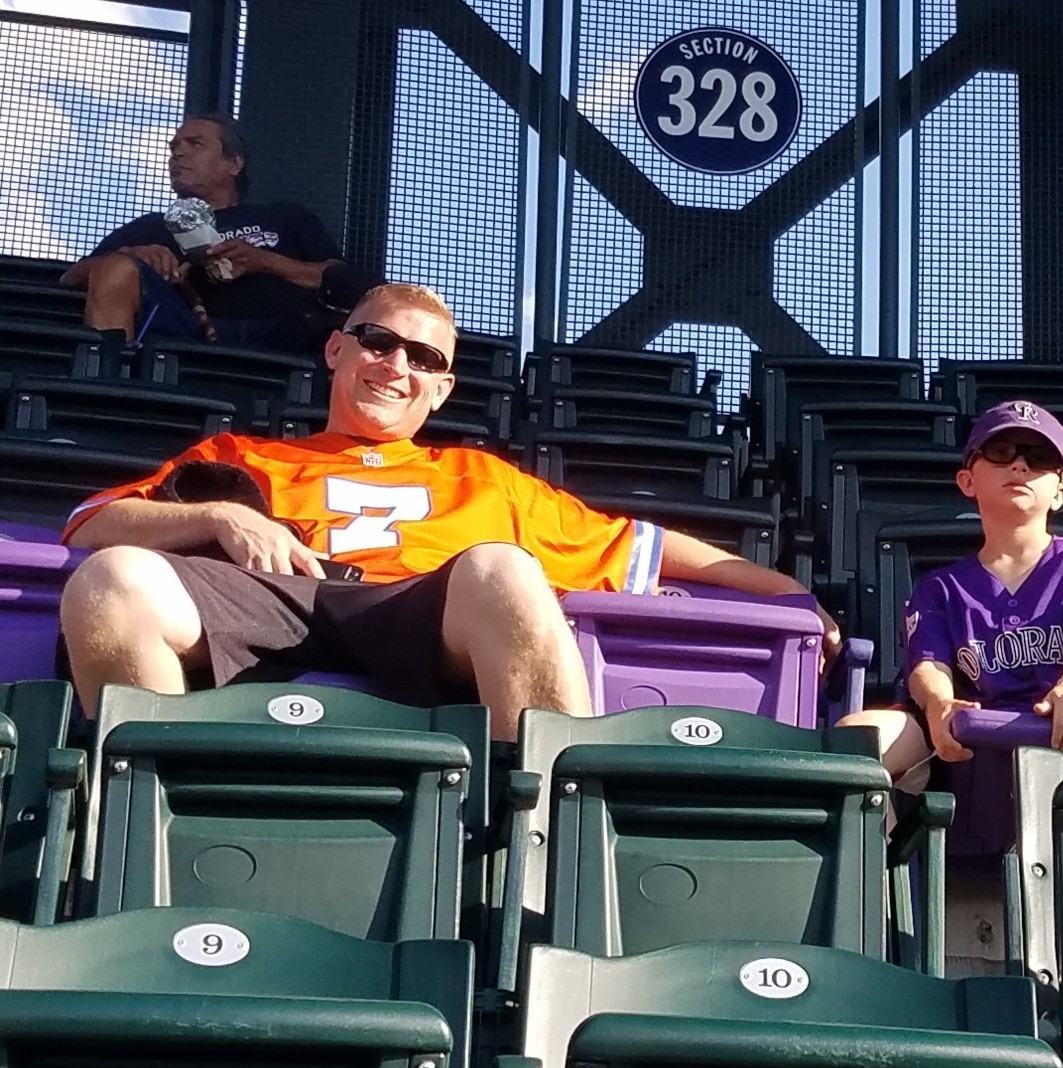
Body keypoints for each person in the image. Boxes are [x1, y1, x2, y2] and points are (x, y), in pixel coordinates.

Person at [58, 282, 838, 739]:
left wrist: (791, 597)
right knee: (111, 582)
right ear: (336, 350)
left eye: (423, 359)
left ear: (442, 388)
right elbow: (92, 524)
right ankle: (143, 809)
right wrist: (221, 519)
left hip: (415, 612)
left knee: (504, 569)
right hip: (269, 595)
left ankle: (545, 842)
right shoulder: (239, 456)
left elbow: (652, 546)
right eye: (377, 342)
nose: (396, 366)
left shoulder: (484, 478)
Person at [839, 400, 1063, 786]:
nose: (1020, 466)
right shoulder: (940, 586)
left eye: (1039, 458)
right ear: (967, 481)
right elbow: (928, 666)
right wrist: (940, 703)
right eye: (1001, 453)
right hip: (976, 738)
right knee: (858, 734)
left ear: (1060, 493)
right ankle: (870, 846)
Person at [57, 113, 368, 352]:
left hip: (289, 333)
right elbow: (70, 278)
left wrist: (264, 261)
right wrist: (132, 257)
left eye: (194, 144)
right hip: (179, 329)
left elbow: (343, 282)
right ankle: (106, 387)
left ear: (234, 162)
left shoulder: (286, 216)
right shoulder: (152, 226)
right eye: (174, 147)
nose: (177, 154)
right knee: (115, 267)